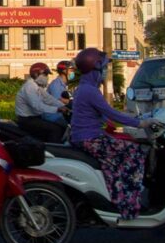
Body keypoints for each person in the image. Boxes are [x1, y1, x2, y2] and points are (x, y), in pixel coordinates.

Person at [68, 48, 159, 220]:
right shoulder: (90, 90)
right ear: (95, 68)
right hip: (91, 139)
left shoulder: (84, 88)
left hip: (86, 137)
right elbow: (112, 113)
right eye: (103, 68)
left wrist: (132, 118)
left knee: (122, 153)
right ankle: (127, 203)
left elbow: (102, 114)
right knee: (136, 152)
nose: (105, 72)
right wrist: (141, 123)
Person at [15, 62, 69, 141]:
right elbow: (37, 106)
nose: (47, 77)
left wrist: (63, 106)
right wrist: (57, 109)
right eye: (45, 75)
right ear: (36, 74)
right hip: (27, 120)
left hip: (35, 118)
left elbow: (48, 99)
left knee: (59, 127)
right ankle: (51, 151)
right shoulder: (29, 87)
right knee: (56, 129)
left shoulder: (37, 86)